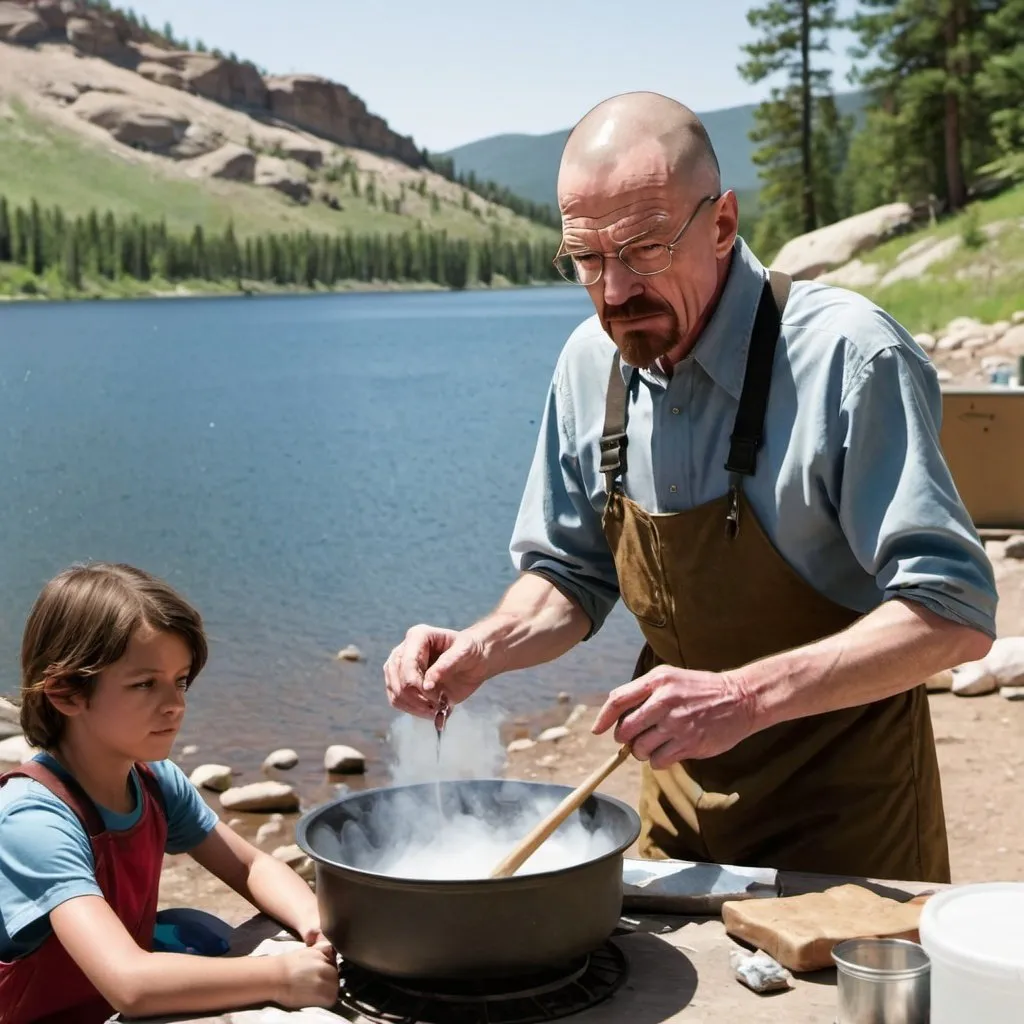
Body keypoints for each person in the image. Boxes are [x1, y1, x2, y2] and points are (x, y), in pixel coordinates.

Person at [384, 91, 998, 884]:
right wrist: (481, 650)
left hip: (850, 830)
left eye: (642, 249)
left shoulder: (850, 357)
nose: (612, 292)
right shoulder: (586, 365)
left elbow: (954, 613)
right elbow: (571, 576)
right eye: (587, 259)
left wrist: (743, 698)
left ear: (721, 224)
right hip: (673, 824)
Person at [0, 563, 338, 1023]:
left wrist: (314, 923)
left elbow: (251, 863)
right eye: (145, 684)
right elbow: (130, 984)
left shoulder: (153, 780)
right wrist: (280, 977)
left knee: (196, 926)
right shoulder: (34, 819)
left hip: (112, 1002)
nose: (175, 704)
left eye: (180, 681)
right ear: (67, 693)